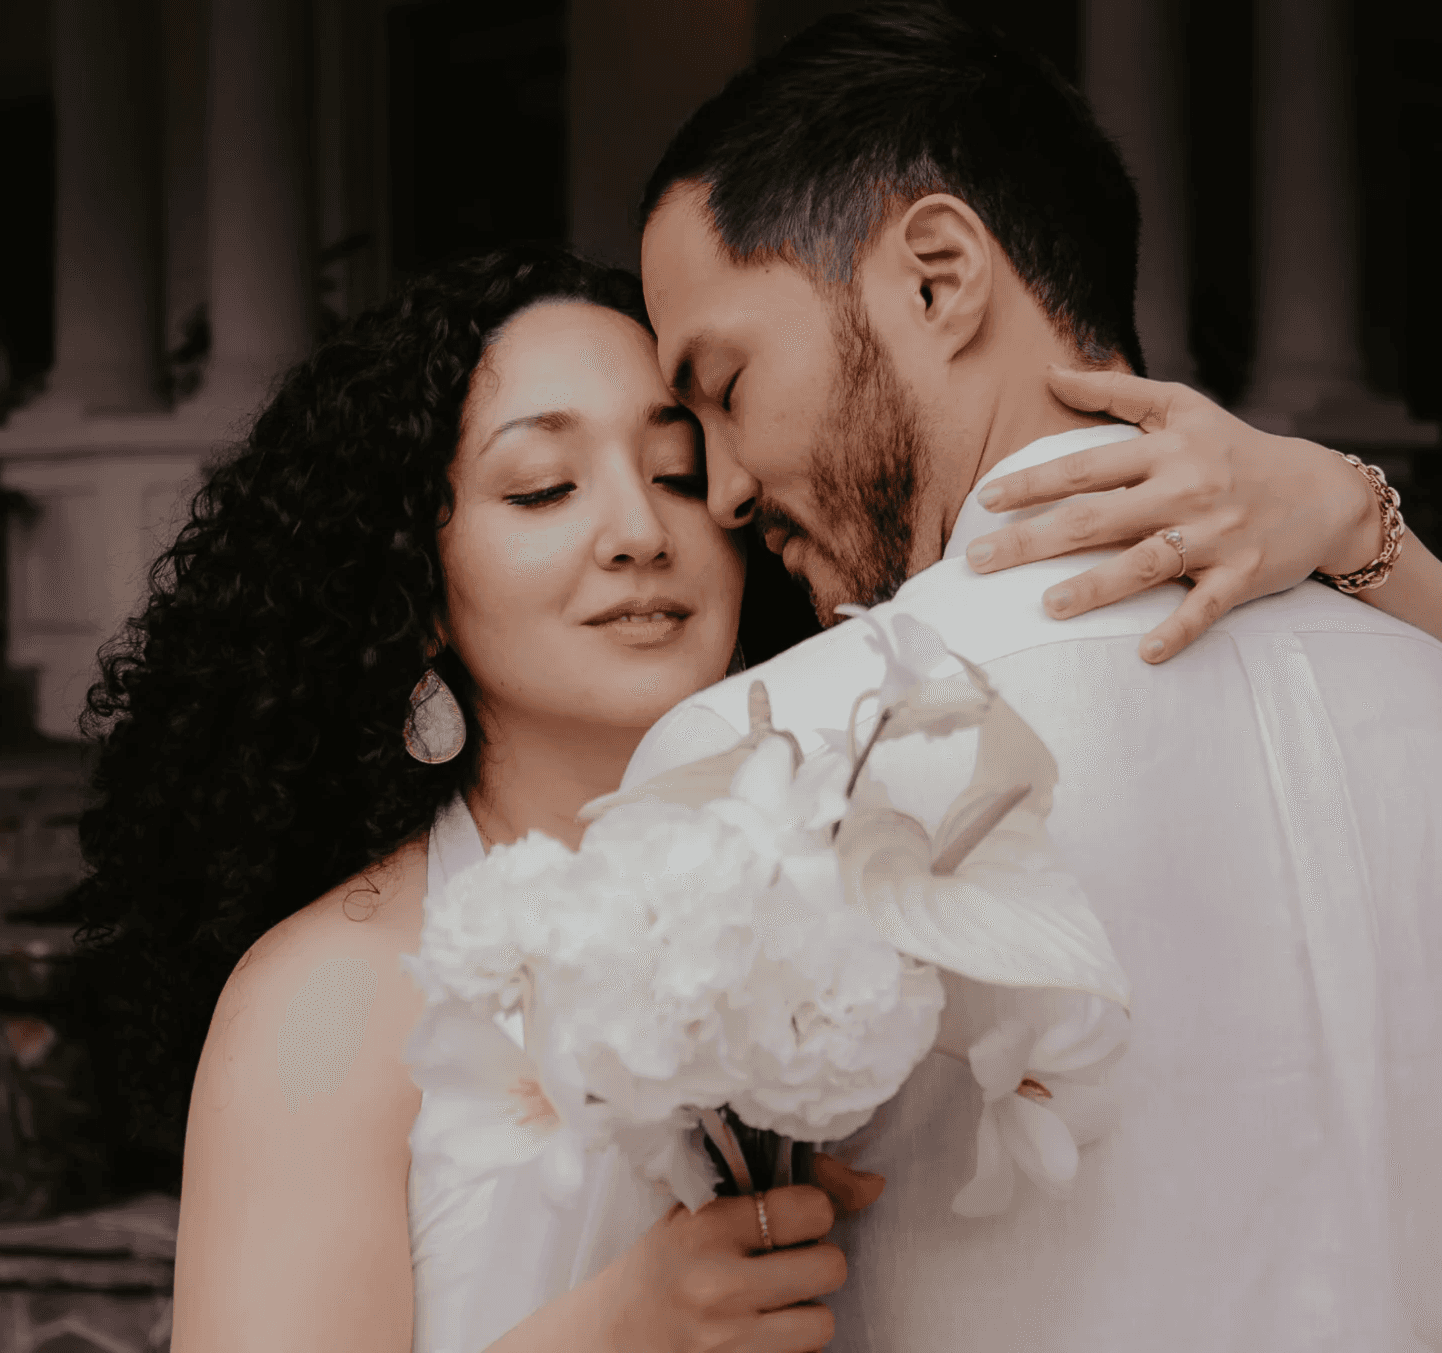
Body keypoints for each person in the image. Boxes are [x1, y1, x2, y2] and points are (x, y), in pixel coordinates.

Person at [72, 167, 1438, 1353]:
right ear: (416, 591)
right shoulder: (334, 992)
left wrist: (1349, 515)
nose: (639, 532)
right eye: (543, 487)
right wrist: (613, 1332)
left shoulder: (879, 853)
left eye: (681, 471)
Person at [625, 3, 1442, 1350]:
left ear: (938, 278)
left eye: (724, 384)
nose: (720, 490)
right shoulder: (1417, 679)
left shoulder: (762, 758)